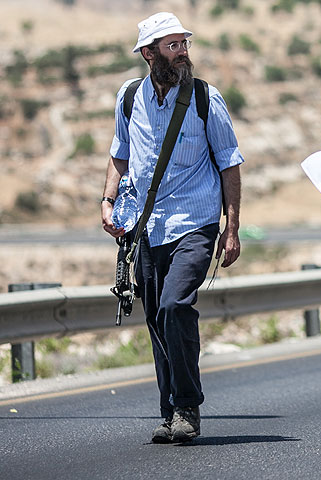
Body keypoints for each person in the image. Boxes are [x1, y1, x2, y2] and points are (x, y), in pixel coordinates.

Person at [100, 12, 244, 443]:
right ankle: (169, 412)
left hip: (194, 223)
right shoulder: (129, 98)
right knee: (156, 322)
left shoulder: (205, 98)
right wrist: (108, 202)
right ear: (149, 54)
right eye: (172, 45)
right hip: (145, 228)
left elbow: (230, 163)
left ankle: (187, 406)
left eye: (184, 43)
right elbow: (118, 156)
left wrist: (231, 228)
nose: (182, 52)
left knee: (174, 307)